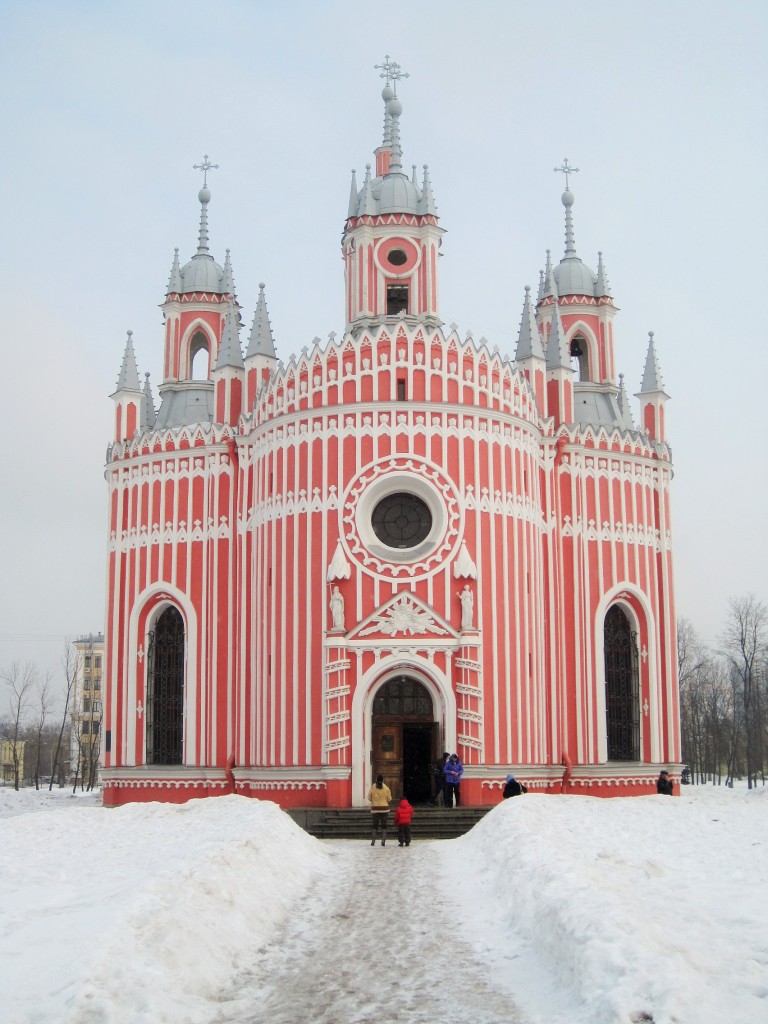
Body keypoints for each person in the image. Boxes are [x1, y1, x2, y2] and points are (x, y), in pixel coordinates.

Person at [368, 774, 392, 845]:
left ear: (376, 780)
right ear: (383, 780)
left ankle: (373, 840)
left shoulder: (372, 788)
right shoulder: (386, 788)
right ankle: (383, 840)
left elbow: (369, 798)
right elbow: (389, 799)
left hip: (375, 809)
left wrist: (375, 801)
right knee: (384, 825)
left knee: (375, 825)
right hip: (384, 809)